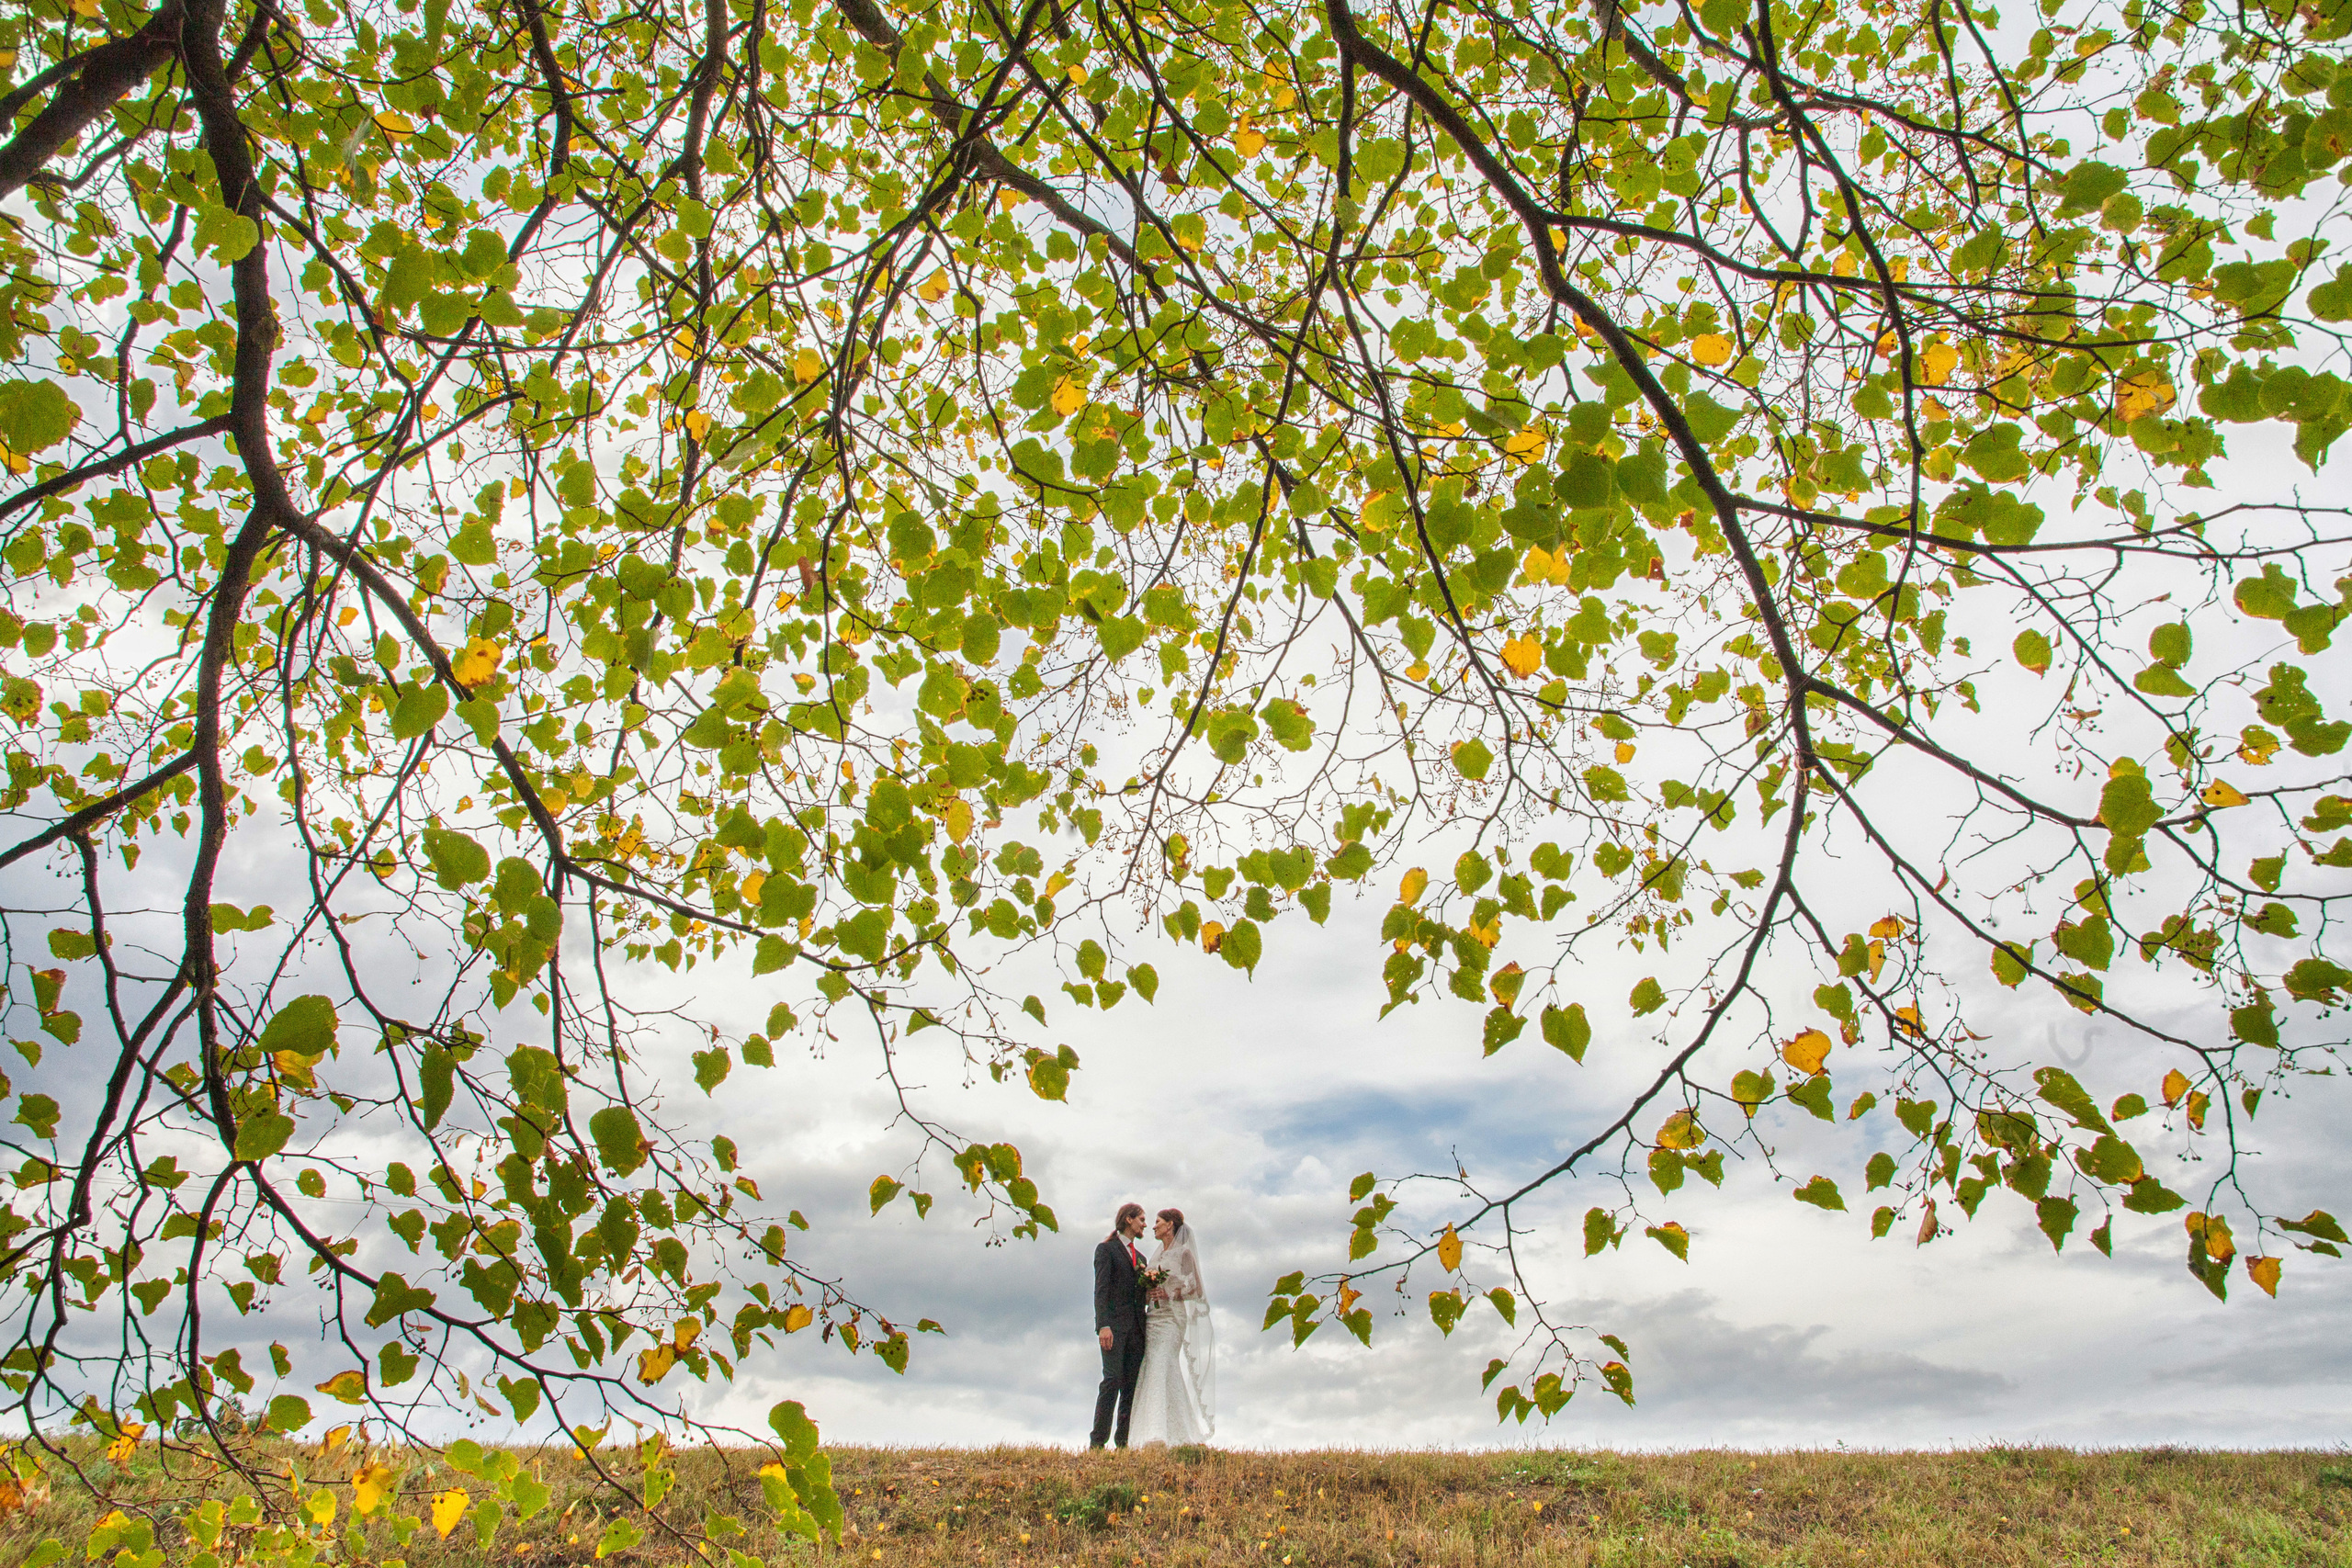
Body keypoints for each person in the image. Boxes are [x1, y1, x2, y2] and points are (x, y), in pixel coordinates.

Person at [1126, 1207, 1215, 1446]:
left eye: (1157, 1222)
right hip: (1153, 1318)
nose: (1153, 1226)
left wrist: (1171, 1293)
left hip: (1172, 1319)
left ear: (1170, 1225)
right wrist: (1149, 1293)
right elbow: (1146, 1291)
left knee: (1160, 1364)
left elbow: (1197, 1289)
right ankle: (1175, 1432)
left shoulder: (1184, 1254)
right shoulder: (1153, 1258)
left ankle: (1156, 1435)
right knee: (1157, 1367)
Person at [1090, 1202, 1149, 1449]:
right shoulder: (1107, 1250)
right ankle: (1097, 1443)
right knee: (1112, 1380)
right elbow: (1101, 1289)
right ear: (1128, 1220)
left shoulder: (1142, 1259)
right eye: (1142, 1219)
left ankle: (1123, 1442)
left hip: (1137, 1330)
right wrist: (1103, 1325)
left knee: (1131, 1385)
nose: (1145, 1224)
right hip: (1113, 1328)